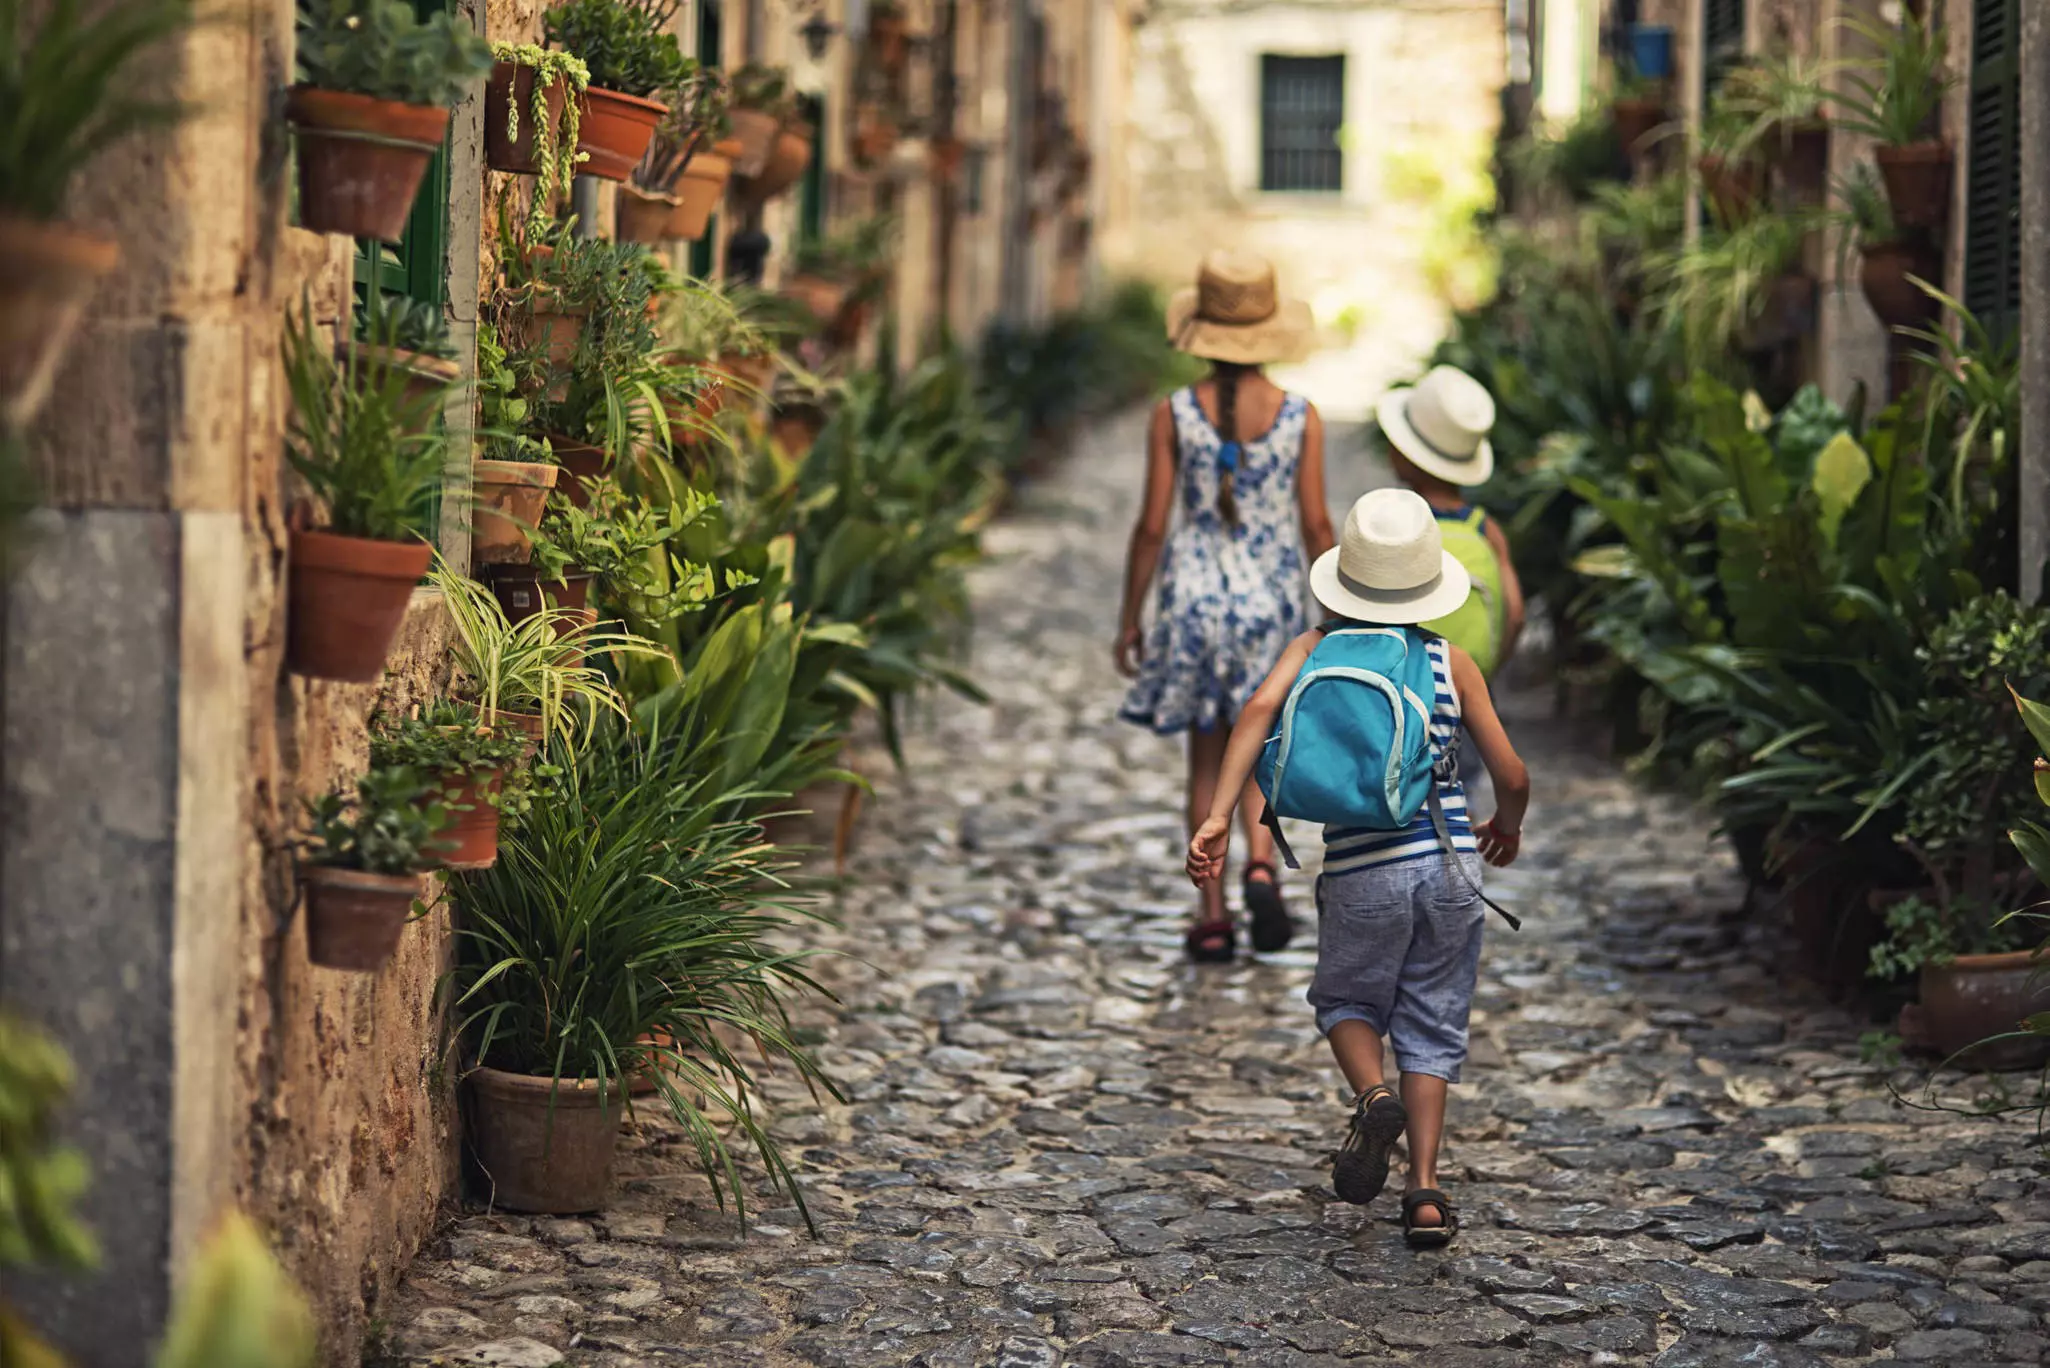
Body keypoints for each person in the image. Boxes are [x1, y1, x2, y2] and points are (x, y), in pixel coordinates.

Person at [1183, 488, 1530, 1248]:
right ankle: (1428, 1194)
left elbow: (1254, 714)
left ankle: (1373, 1095)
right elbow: (1511, 771)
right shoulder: (1451, 661)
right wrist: (1506, 824)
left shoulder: (1312, 648)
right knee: (1433, 1023)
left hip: (1363, 871)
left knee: (1346, 1001)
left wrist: (1217, 814)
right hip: (1449, 873)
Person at [1116, 250, 1335, 964]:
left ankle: (1211, 915)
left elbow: (1152, 525)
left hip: (1191, 602)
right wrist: (1334, 622)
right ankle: (1262, 867)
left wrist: (1131, 616)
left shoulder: (1173, 413)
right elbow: (1316, 526)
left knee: (1206, 762)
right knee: (1263, 751)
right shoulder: (1302, 418)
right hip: (1270, 605)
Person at [1378, 366, 1524, 677]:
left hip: (1402, 688)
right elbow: (1515, 617)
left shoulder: (1395, 521)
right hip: (1467, 687)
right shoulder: (1485, 530)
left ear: (1407, 455)